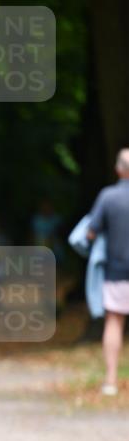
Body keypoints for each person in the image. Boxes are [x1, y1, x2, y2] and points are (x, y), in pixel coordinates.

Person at [86, 148, 129, 397]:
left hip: (117, 271)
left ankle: (111, 380)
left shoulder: (108, 197)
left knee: (114, 321)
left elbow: (91, 232)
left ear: (118, 169)